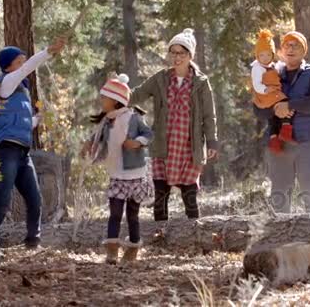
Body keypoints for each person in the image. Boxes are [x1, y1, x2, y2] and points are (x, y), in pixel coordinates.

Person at [0, 37, 66, 256]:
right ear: (9, 65)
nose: (23, 64)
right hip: (5, 150)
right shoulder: (7, 83)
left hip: (22, 152)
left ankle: (33, 243)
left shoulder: (22, 92)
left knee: (34, 198)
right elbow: (29, 67)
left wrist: (38, 119)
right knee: (3, 198)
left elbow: (24, 123)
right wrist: (49, 50)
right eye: (20, 61)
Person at [129, 28, 219, 221]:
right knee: (161, 191)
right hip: (164, 144)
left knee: (189, 193)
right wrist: (117, 97)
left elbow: (209, 115)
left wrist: (212, 141)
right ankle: (160, 233)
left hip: (188, 146)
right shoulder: (161, 79)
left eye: (182, 53)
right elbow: (138, 94)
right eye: (173, 52)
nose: (177, 57)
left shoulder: (201, 83)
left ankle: (194, 232)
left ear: (190, 55)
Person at [254, 31, 310, 213]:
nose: (291, 48)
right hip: (279, 142)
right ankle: (281, 236)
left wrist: (290, 105)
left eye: (296, 45)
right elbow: (258, 109)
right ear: (280, 50)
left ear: (304, 51)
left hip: (308, 140)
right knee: (279, 192)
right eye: (287, 44)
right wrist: (274, 109)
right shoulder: (271, 75)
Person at [83, 74, 153, 264]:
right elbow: (96, 136)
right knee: (114, 213)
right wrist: (88, 144)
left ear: (115, 100)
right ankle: (112, 250)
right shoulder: (107, 120)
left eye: (104, 97)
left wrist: (137, 143)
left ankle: (133, 248)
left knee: (132, 215)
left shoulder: (133, 118)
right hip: (116, 174)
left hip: (134, 174)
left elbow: (148, 134)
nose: (101, 100)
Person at [250, 29, 294, 154]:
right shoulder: (257, 68)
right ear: (257, 55)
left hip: (269, 96)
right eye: (262, 55)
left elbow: (280, 68)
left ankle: (274, 139)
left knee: (273, 117)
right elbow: (256, 84)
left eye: (269, 55)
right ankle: (286, 128)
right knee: (285, 102)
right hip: (265, 95)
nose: (265, 58)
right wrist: (265, 89)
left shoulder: (273, 65)